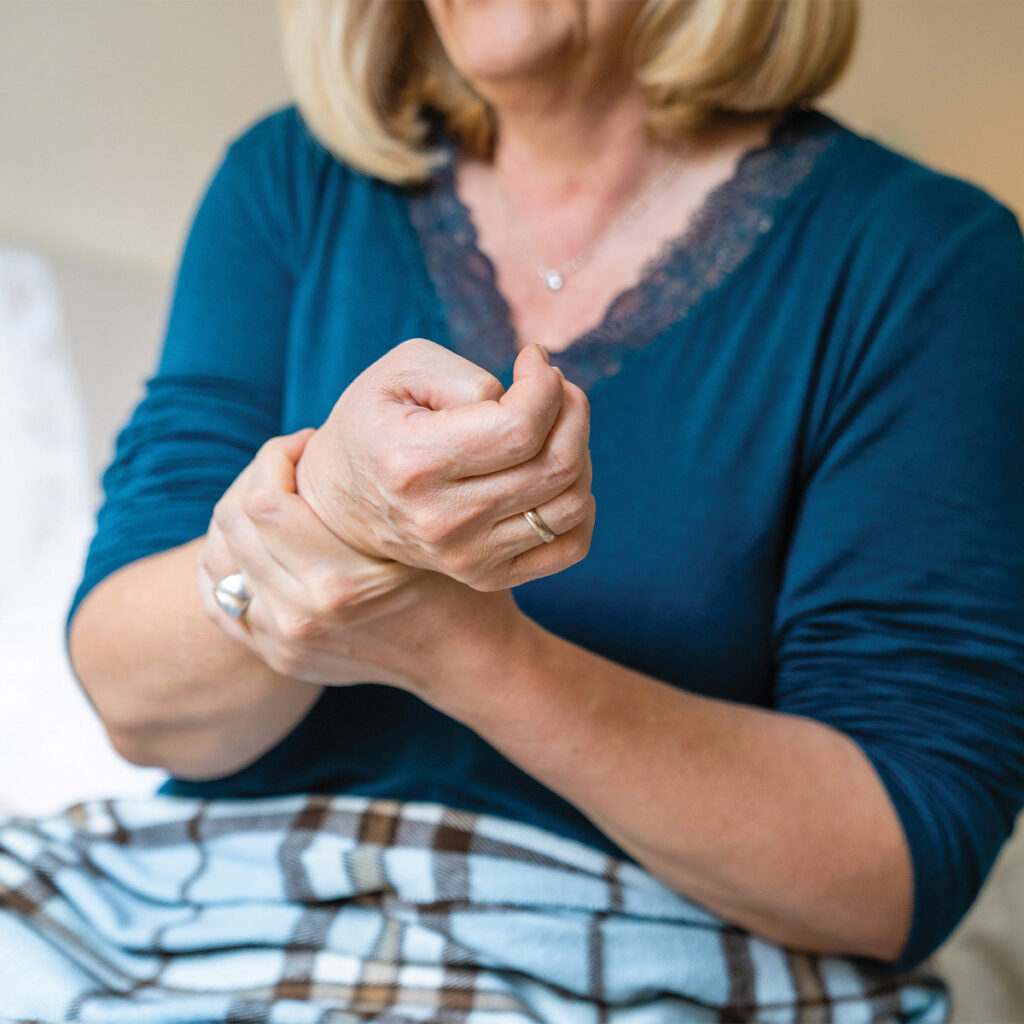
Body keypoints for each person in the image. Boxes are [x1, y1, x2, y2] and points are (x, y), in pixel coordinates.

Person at [2, 0, 1022, 1020]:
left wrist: (462, 648)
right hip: (206, 909)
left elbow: (895, 869)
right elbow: (135, 701)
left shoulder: (924, 257)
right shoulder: (289, 180)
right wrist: (338, 522)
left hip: (626, 952)